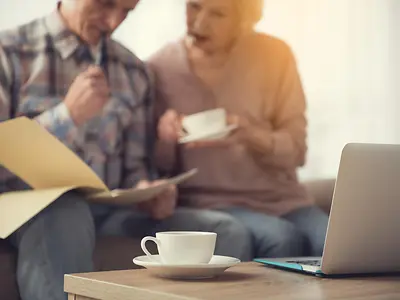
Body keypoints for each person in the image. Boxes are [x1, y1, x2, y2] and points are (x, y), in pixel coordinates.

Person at [0, 1, 252, 299]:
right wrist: (66, 117)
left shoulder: (133, 71)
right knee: (67, 212)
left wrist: (148, 191)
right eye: (106, 4)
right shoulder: (10, 51)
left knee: (227, 231)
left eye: (126, 11)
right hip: (28, 209)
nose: (113, 22)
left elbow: (136, 169)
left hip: (112, 208)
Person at [150, 0, 329, 259]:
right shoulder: (159, 68)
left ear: (243, 21)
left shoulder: (275, 56)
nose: (199, 22)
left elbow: (298, 151)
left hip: (284, 201)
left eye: (218, 14)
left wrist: (251, 135)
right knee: (282, 239)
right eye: (194, 6)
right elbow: (157, 170)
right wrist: (165, 139)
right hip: (210, 204)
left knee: (339, 251)